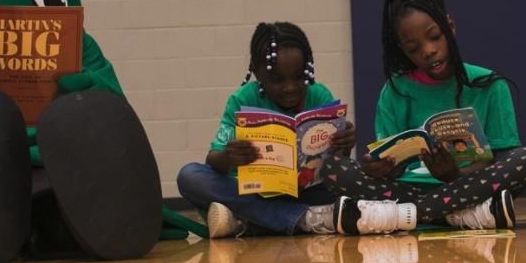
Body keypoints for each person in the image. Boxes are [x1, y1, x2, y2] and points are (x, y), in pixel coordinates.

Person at [318, 0, 526, 232]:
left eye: (435, 37)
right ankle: (453, 216)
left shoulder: (489, 85)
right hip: (406, 189)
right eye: (414, 48)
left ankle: (406, 216)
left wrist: (453, 175)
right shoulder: (394, 92)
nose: (429, 51)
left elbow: (502, 160)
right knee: (332, 168)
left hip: (469, 186)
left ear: (451, 27)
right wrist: (378, 169)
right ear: (403, 51)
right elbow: (392, 166)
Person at [177, 22, 417, 238]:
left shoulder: (319, 95)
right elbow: (213, 161)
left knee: (355, 176)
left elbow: (336, 166)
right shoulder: (242, 100)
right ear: (258, 73)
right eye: (277, 80)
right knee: (190, 176)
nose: (290, 88)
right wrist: (229, 157)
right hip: (255, 194)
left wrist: (345, 145)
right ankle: (306, 219)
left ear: (309, 70)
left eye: (298, 77)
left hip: (310, 192)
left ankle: (249, 223)